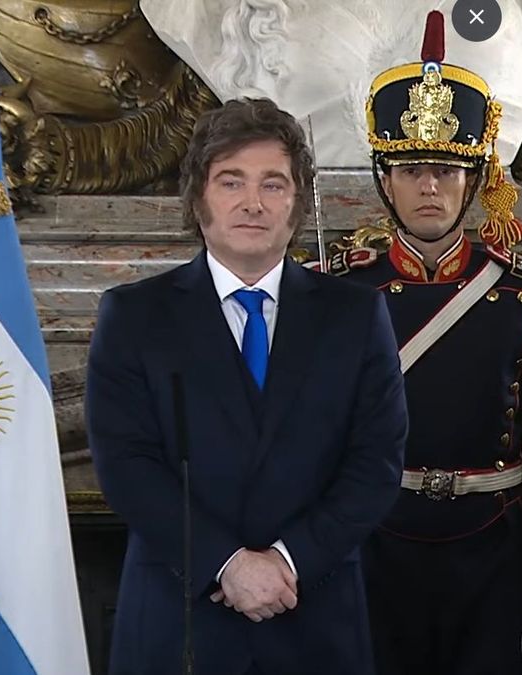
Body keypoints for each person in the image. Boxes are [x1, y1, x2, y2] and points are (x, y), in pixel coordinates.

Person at [85, 97, 408, 675]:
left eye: (273, 184)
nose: (252, 202)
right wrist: (226, 563)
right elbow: (126, 465)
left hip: (314, 614)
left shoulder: (356, 315)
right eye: (231, 181)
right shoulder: (134, 316)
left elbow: (376, 461)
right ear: (198, 199)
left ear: (297, 204)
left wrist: (288, 561)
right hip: (180, 620)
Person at [321, 11, 522, 674]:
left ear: (475, 180)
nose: (429, 186)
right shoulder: (337, 295)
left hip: (493, 559)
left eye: (446, 169)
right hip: (374, 552)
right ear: (384, 180)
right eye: (411, 168)